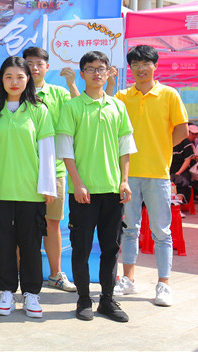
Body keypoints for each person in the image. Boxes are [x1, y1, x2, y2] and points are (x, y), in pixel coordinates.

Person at [56, 51, 136, 322]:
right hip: (83, 193)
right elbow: (66, 149)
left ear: (107, 72)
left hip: (112, 191)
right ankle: (83, 299)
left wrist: (124, 180)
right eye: (90, 69)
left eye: (101, 68)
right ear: (82, 74)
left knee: (111, 248)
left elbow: (125, 147)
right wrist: (78, 183)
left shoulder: (117, 106)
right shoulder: (72, 107)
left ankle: (107, 300)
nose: (96, 73)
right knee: (81, 248)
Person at [114, 45, 189, 307]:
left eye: (145, 63)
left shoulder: (169, 94)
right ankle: (128, 279)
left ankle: (164, 284)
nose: (140, 68)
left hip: (158, 173)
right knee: (129, 229)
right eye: (135, 64)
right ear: (130, 68)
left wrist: (162, 147)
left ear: (155, 66)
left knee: (161, 232)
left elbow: (182, 130)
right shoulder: (122, 96)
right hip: (128, 174)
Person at [0, 56, 56, 318]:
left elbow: (47, 150)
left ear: (28, 79)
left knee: (30, 244)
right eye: (8, 77)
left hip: (31, 191)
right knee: (4, 243)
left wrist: (48, 186)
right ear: (1, 80)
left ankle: (31, 293)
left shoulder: (39, 110)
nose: (14, 82)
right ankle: (6, 291)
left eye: (20, 77)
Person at [22, 47, 78, 292]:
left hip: (54, 169)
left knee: (52, 223)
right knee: (22, 224)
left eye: (39, 63)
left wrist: (72, 83)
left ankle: (55, 274)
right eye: (29, 63)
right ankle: (19, 275)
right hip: (21, 170)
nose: (34, 68)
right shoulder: (16, 92)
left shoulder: (59, 93)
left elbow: (79, 111)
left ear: (47, 67)